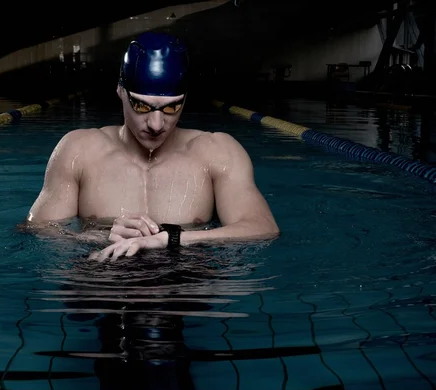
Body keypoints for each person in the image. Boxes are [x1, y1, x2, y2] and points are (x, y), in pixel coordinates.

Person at [22, 31, 279, 261]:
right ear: (121, 91)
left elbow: (262, 227)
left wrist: (171, 239)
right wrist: (100, 237)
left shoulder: (218, 152)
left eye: (171, 107)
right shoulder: (79, 150)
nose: (156, 124)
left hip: (186, 284)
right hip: (101, 283)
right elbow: (37, 230)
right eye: (142, 106)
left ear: (185, 98)